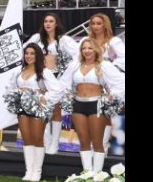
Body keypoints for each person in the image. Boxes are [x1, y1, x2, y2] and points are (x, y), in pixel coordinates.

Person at [59, 38, 125, 172]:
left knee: (97, 142)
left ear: (96, 50)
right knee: (83, 142)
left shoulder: (104, 65)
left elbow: (121, 82)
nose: (87, 51)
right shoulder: (75, 65)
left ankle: (97, 176)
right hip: (78, 105)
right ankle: (87, 175)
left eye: (90, 48)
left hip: (97, 105)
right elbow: (62, 83)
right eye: (84, 48)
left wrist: (112, 95)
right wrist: (67, 95)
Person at [24, 13, 79, 154]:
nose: (47, 24)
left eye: (51, 21)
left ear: (56, 23)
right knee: (42, 108)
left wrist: (66, 74)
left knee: (56, 110)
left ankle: (54, 143)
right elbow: (25, 50)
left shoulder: (63, 40)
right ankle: (46, 141)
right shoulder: (37, 38)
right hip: (41, 77)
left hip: (57, 77)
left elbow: (78, 55)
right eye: (45, 21)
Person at [6, 44, 62, 181]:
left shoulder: (44, 72)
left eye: (32, 53)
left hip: (38, 108)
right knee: (27, 138)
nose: (29, 56)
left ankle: (37, 171)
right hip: (22, 107)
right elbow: (9, 88)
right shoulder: (18, 71)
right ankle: (28, 171)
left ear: (38, 56)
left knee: (37, 138)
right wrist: (18, 92)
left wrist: (44, 97)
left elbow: (58, 89)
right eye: (27, 53)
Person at [87, 12, 125, 151]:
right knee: (91, 114)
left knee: (107, 113)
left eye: (99, 23)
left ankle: (103, 146)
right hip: (90, 82)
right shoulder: (87, 41)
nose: (95, 26)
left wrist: (109, 65)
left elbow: (123, 58)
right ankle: (93, 146)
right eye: (93, 23)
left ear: (105, 25)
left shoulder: (113, 42)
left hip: (107, 83)